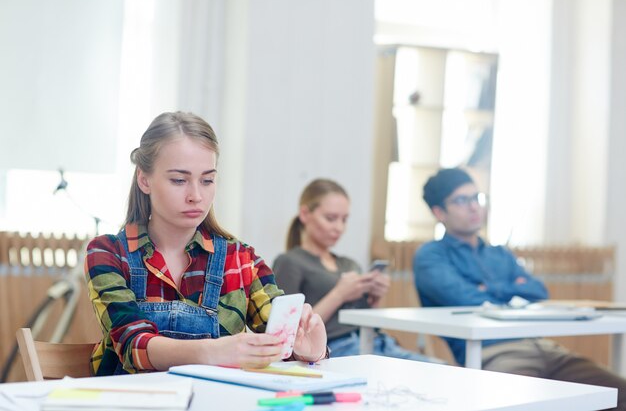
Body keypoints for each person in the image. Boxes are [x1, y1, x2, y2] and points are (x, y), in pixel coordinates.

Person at [84, 112, 327, 376]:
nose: (196, 196)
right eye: (179, 180)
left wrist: (307, 348)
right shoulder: (108, 253)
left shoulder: (240, 259)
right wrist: (213, 352)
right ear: (144, 180)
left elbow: (278, 341)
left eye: (207, 180)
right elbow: (132, 345)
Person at [414, 167, 626, 410]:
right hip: (493, 351)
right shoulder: (431, 256)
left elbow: (538, 291)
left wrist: (489, 289)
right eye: (461, 200)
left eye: (476, 198)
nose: (474, 207)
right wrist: (511, 290)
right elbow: (466, 298)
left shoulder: (499, 254)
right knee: (517, 402)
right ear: (439, 212)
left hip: (542, 345)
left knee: (618, 393)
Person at [273, 178, 440, 362]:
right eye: (330, 218)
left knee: (442, 368)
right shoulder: (290, 262)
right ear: (305, 214)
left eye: (344, 219)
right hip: (337, 348)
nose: (339, 227)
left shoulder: (349, 264)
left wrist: (375, 298)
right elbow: (288, 333)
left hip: (376, 342)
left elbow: (365, 319)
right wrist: (339, 294)